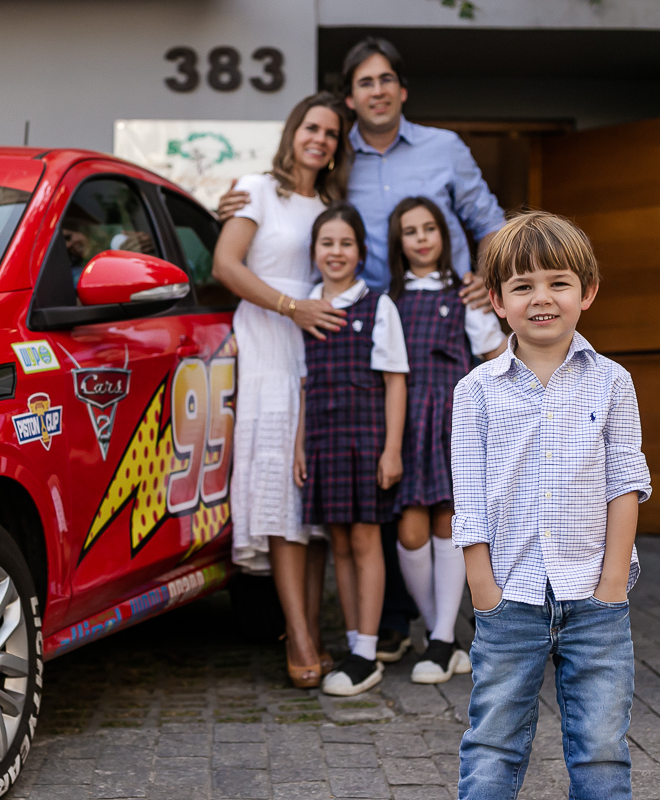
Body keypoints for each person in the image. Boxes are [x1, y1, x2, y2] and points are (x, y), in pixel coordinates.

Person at [218, 37, 507, 660]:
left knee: (426, 483)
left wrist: (496, 275)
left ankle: (440, 625)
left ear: (402, 90)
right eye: (364, 84)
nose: (376, 92)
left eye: (386, 81)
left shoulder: (442, 149)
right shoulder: (337, 160)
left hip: (428, 322)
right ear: (352, 99)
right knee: (375, 476)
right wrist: (232, 202)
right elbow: (278, 216)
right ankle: (393, 623)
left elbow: (489, 219)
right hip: (344, 333)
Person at [451, 211, 651, 799]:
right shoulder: (476, 390)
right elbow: (470, 494)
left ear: (586, 293)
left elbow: (625, 482)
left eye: (558, 283)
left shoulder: (613, 381)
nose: (542, 298)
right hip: (509, 598)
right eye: (522, 286)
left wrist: (612, 581)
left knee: (602, 749)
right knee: (493, 744)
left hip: (596, 600)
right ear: (496, 300)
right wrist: (483, 588)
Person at [213, 92, 352, 688]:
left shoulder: (332, 205)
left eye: (331, 133)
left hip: (317, 347)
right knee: (277, 491)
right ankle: (296, 635)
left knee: (311, 499)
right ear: (293, 130)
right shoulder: (256, 188)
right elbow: (227, 264)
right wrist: (290, 306)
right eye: (311, 127)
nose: (319, 138)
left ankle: (313, 631)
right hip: (270, 341)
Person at [386, 198, 506, 685]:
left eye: (429, 228)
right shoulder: (388, 300)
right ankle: (448, 636)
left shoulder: (465, 296)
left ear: (443, 235)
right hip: (406, 421)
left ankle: (438, 640)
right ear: (398, 243)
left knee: (449, 524)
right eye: (410, 231)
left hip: (454, 421)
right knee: (409, 532)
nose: (421, 238)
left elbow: (496, 353)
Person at [291, 205, 408, 696]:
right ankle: (356, 640)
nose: (335, 253)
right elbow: (303, 384)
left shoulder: (377, 306)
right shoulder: (305, 308)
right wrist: (300, 446)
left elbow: (395, 382)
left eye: (345, 244)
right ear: (314, 252)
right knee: (338, 541)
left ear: (360, 253)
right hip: (323, 439)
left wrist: (392, 449)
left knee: (365, 541)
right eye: (326, 244)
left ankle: (366, 654)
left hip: (366, 440)